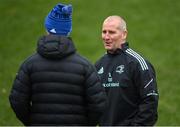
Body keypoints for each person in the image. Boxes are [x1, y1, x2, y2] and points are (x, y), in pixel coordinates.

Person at [9, 3, 107, 126]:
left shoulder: (29, 65)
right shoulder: (85, 67)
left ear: (47, 28)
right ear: (68, 30)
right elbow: (98, 104)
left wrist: (32, 122)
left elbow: (17, 100)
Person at [95, 15, 159, 126]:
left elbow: (150, 102)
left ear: (124, 34)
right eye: (104, 32)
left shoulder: (138, 64)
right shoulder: (99, 65)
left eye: (111, 32)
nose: (106, 37)